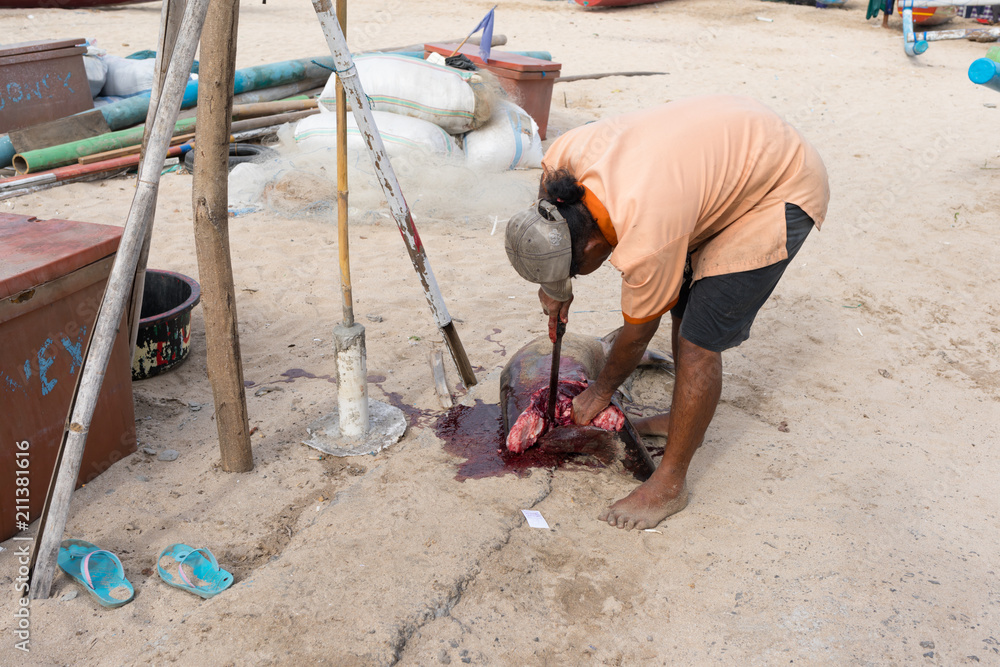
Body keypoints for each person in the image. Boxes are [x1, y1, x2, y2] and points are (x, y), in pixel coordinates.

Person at [504, 95, 829, 530]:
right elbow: (548, 215)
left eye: (576, 271)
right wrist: (556, 285)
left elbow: (639, 333)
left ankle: (670, 484)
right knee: (681, 304)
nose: (577, 278)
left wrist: (600, 392)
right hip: (725, 155)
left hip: (777, 189)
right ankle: (680, 421)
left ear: (595, 245)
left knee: (698, 340)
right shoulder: (562, 161)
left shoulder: (647, 234)